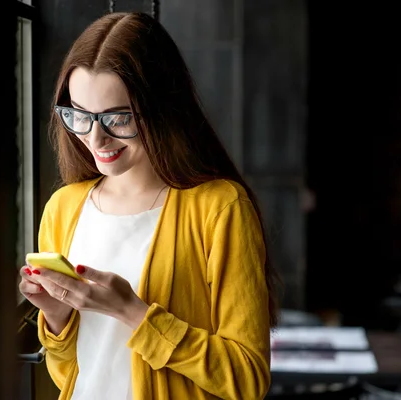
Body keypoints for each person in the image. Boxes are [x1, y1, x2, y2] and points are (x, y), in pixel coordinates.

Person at [18, 11, 279, 400]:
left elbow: (247, 380)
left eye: (118, 118)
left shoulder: (219, 208)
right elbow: (70, 373)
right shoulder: (64, 207)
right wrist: (56, 317)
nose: (96, 138)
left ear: (163, 108)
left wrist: (132, 312)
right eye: (80, 116)